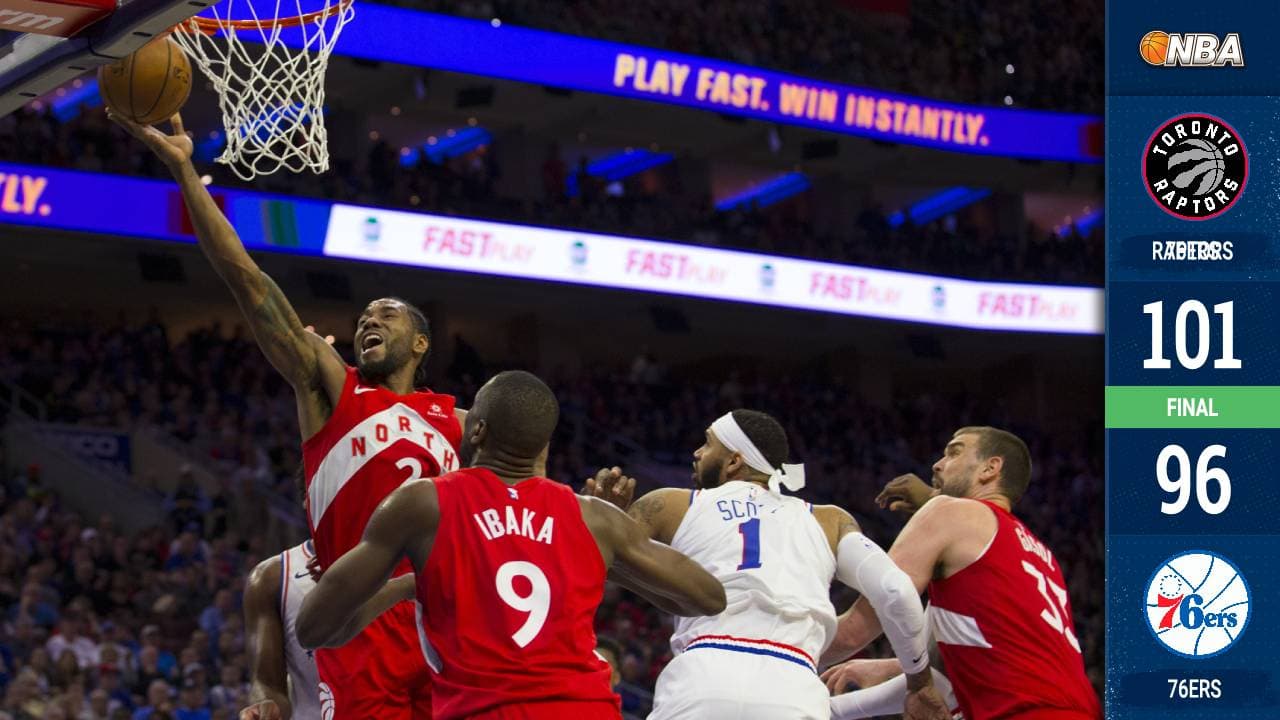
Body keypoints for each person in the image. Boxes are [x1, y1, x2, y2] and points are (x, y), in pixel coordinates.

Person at [115, 111, 467, 719]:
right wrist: (184, 171)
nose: (369, 321)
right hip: (360, 633)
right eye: (363, 318)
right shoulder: (331, 386)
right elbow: (248, 281)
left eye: (387, 315)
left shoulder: (460, 420)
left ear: (421, 343)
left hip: (445, 634)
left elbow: (525, 459)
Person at [296, 371, 726, 720]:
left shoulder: (423, 501)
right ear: (545, 445)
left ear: (477, 430)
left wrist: (405, 586)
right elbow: (707, 597)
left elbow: (315, 627)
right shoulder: (593, 517)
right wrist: (599, 557)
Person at [584, 410, 947, 720]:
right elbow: (895, 591)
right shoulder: (828, 520)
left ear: (734, 461)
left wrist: (603, 519)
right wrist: (918, 682)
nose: (696, 452)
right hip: (792, 685)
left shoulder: (671, 503)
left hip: (701, 678)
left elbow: (590, 568)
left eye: (707, 443)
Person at [821, 427, 1101, 720]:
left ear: (990, 468)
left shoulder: (948, 512)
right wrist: (890, 669)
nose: (938, 464)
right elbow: (970, 663)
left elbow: (855, 631)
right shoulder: (1041, 555)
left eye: (954, 452)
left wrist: (784, 646)